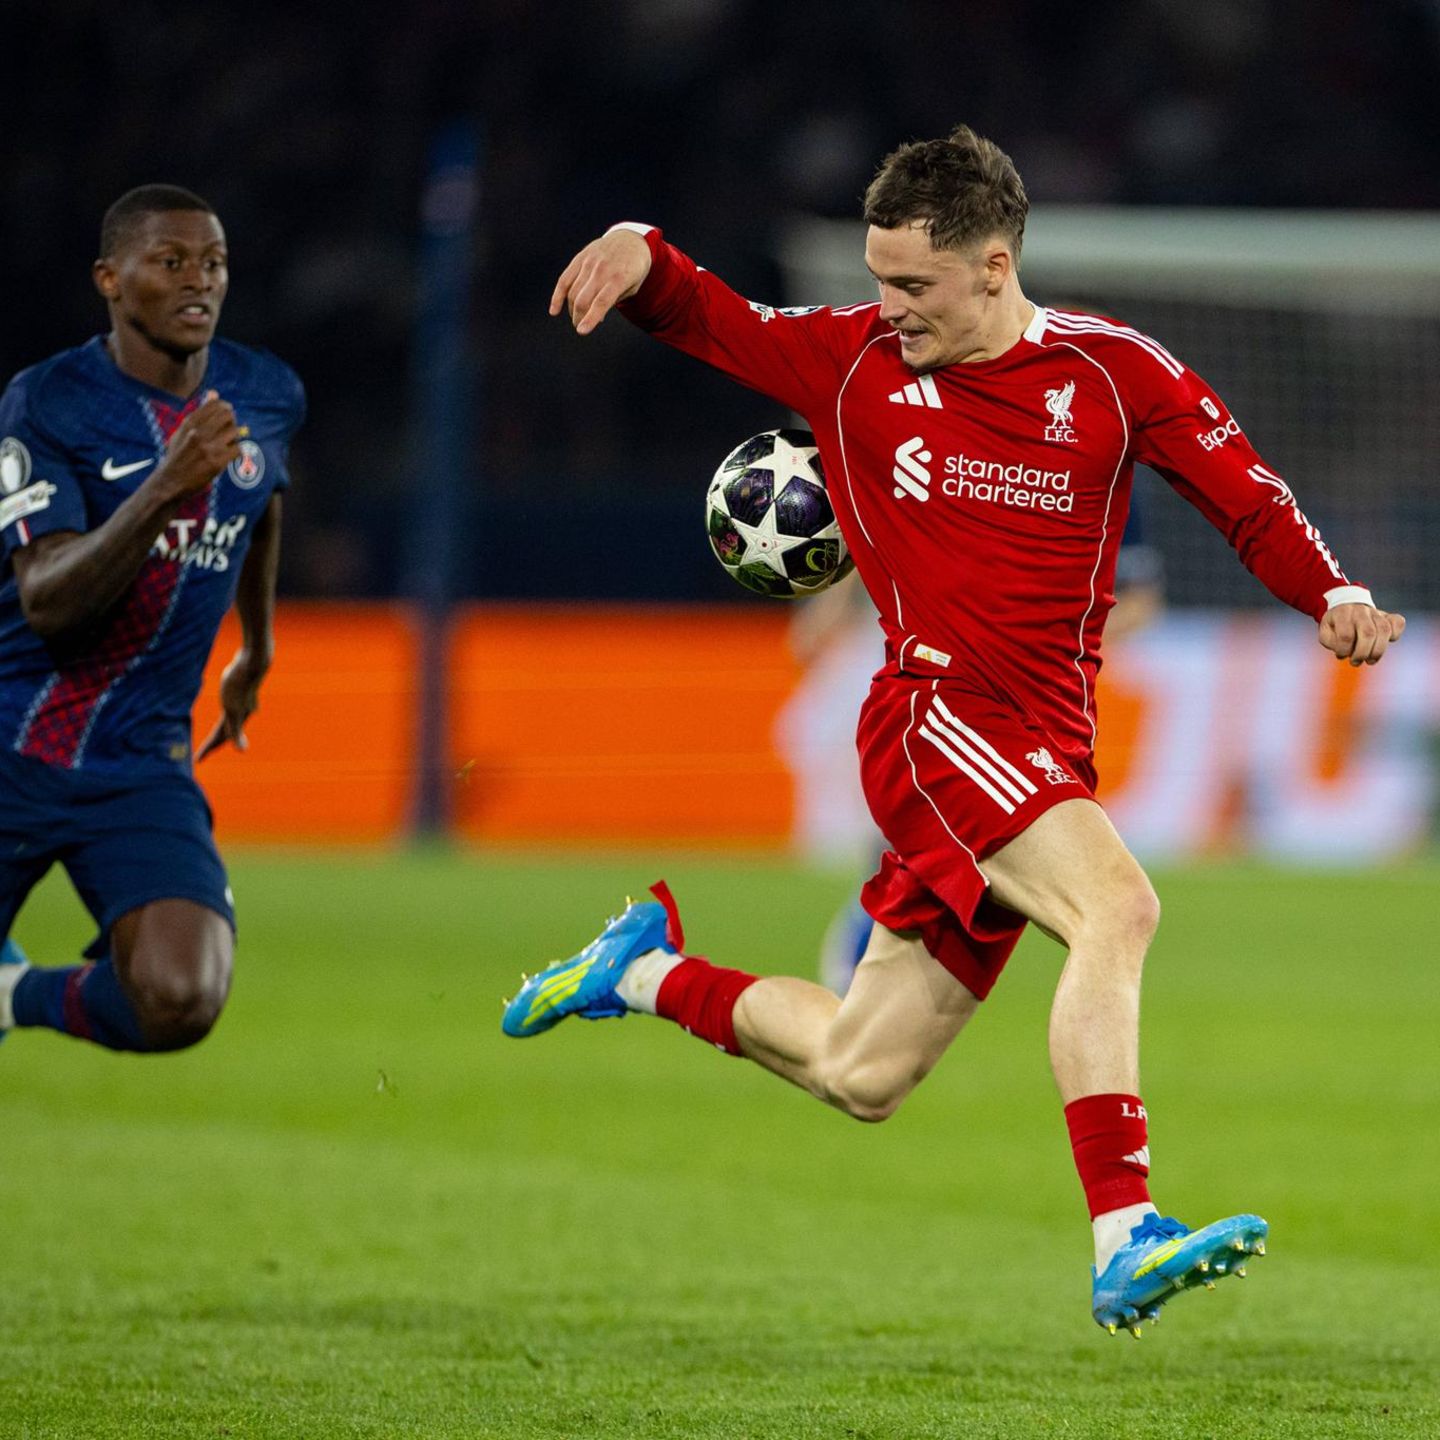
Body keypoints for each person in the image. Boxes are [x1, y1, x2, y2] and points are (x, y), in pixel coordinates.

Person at [505, 126, 1405, 1335]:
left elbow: (1247, 497)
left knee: (860, 1070)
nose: (890, 306)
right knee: (1119, 908)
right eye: (878, 278)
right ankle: (1127, 1231)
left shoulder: (1113, 373)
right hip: (937, 720)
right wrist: (638, 249)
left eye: (914, 284)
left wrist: (1333, 592)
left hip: (1045, 742)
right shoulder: (853, 364)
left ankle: (642, 971)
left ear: (994, 265)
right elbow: (710, 314)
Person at [0, 184, 304, 1056]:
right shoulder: (49, 400)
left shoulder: (266, 391)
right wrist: (167, 485)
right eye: (170, 262)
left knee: (180, 998)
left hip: (139, 762)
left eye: (213, 263)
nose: (198, 280)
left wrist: (257, 646)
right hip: (16, 741)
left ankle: (14, 995)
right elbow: (48, 598)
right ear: (110, 278)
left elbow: (262, 497)